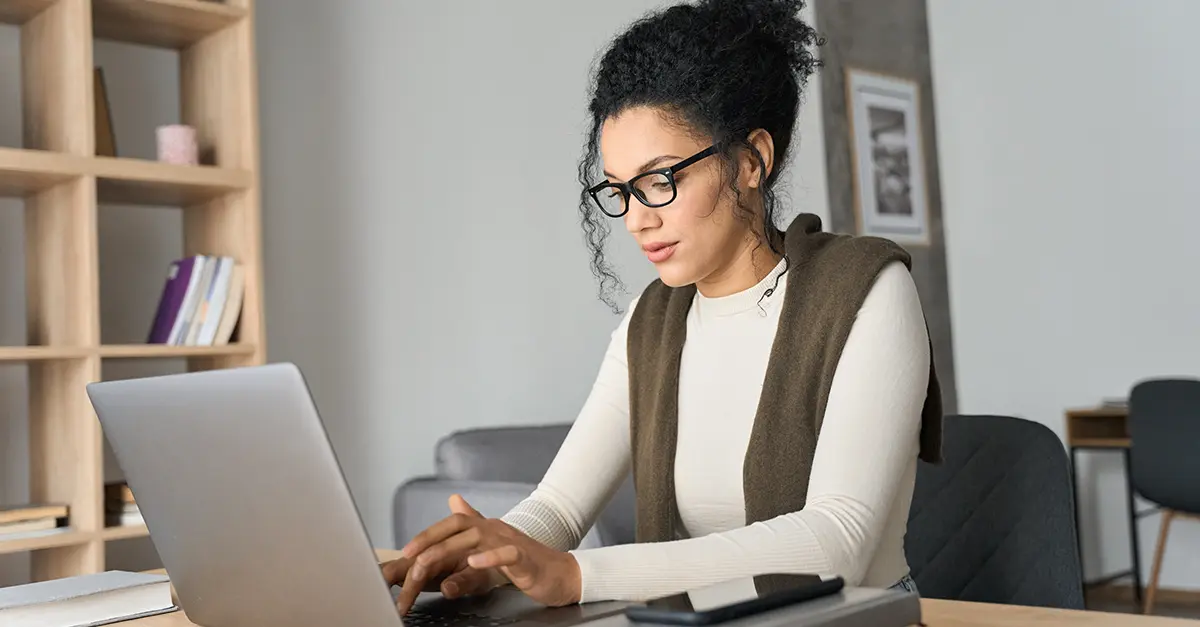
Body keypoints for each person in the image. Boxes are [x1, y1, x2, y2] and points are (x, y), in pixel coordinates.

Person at [383, 0, 942, 614]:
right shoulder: (650, 323)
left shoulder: (865, 288)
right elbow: (559, 508)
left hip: (855, 618)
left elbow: (840, 542)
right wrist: (489, 556)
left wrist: (576, 575)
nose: (638, 219)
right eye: (621, 190)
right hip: (702, 619)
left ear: (752, 160)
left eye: (660, 180)